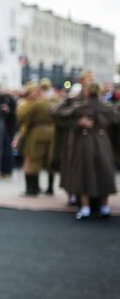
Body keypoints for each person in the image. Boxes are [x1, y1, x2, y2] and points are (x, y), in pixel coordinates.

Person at [51, 82, 118, 219]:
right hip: (102, 141)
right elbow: (116, 120)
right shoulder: (106, 107)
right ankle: (104, 207)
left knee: (84, 173)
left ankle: (86, 208)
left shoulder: (80, 107)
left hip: (84, 141)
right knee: (104, 173)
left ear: (86, 92)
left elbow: (56, 112)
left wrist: (76, 122)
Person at [13, 83, 54, 196]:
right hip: (33, 134)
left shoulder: (34, 104)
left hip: (34, 134)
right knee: (37, 160)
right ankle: (38, 187)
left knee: (33, 160)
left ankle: (32, 189)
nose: (34, 94)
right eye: (32, 92)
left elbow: (22, 117)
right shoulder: (43, 102)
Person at [0, 86, 17, 180]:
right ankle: (1, 171)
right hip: (0, 128)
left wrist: (9, 111)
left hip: (9, 129)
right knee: (1, 150)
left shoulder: (12, 101)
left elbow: (15, 115)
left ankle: (7, 172)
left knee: (8, 151)